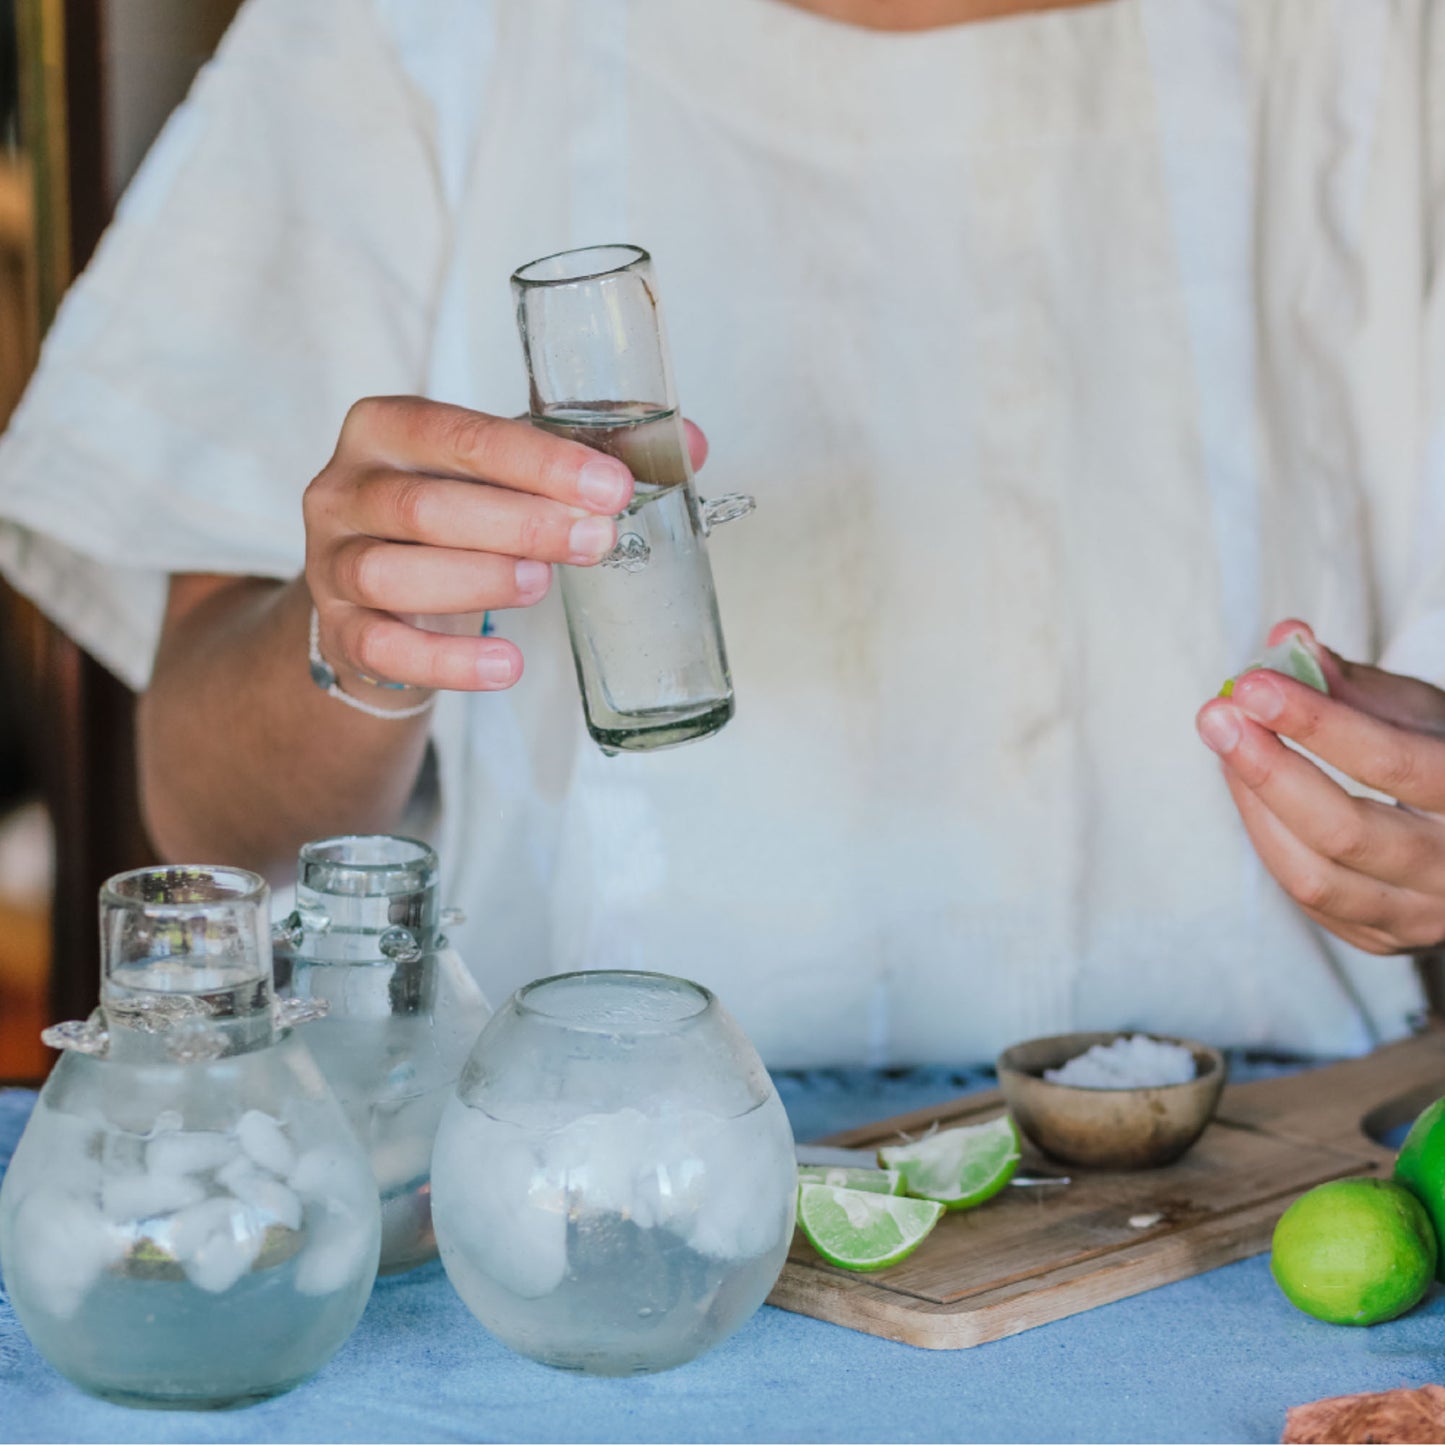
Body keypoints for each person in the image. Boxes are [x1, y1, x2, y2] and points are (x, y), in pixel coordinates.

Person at [0, 0, 1442, 1066]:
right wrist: (362, 638)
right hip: (577, 1196)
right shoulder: (413, 33)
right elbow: (206, 812)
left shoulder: (1376, 43)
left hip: (1246, 1184)